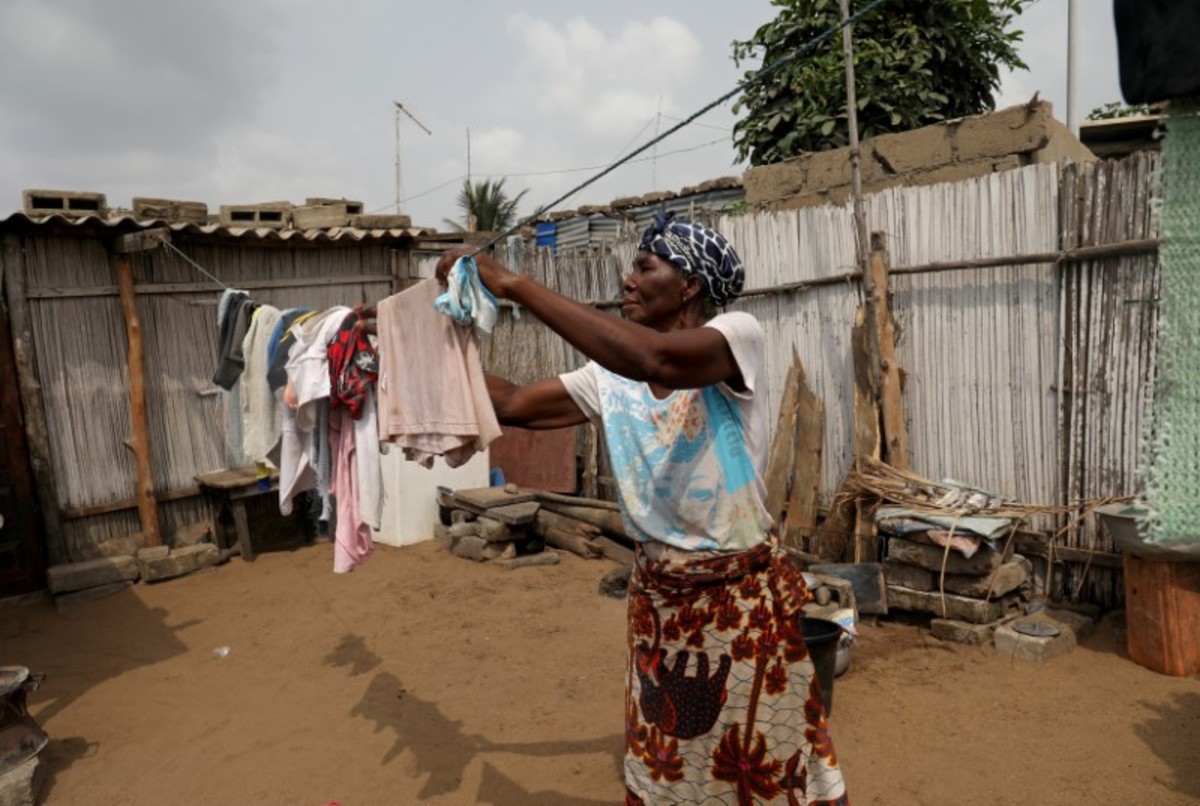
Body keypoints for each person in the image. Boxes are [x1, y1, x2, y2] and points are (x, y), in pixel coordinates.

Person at [436, 212, 848, 805]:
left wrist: (513, 284)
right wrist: (420, 349)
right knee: (669, 763)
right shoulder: (611, 378)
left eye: (644, 266)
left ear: (689, 286)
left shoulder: (735, 337)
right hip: (660, 602)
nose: (628, 280)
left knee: (757, 759)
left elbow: (658, 360)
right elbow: (515, 404)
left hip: (737, 603)